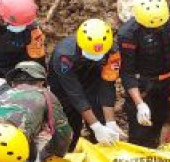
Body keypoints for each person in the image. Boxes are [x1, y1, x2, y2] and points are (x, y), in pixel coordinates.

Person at [118, 0, 170, 147]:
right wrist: (139, 103)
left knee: (162, 117)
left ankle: (156, 143)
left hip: (169, 79)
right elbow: (127, 72)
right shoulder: (129, 34)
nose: (159, 27)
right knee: (140, 130)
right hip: (144, 82)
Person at [48, 19, 122, 149]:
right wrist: (96, 126)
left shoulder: (112, 51)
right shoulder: (64, 55)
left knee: (102, 122)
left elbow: (108, 85)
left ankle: (100, 156)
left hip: (92, 82)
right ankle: (68, 154)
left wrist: (110, 123)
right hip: (64, 88)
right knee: (70, 128)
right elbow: (75, 93)